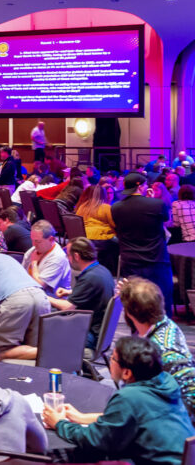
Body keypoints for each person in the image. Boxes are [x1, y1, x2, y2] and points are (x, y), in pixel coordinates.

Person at [43, 336, 194, 464]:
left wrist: (59, 423)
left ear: (127, 372)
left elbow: (93, 441)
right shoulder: (166, 383)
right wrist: (81, 417)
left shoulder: (129, 397)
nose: (110, 361)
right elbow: (136, 417)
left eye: (113, 358)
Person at [119, 277, 195, 421]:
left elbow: (191, 399)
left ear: (129, 313)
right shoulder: (165, 323)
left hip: (171, 425)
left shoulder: (162, 350)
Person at [112, 173, 173, 316]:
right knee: (162, 301)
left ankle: (137, 334)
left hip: (130, 261)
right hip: (157, 260)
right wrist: (150, 199)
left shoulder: (116, 208)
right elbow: (166, 220)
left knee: (135, 302)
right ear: (140, 186)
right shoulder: (157, 204)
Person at [47, 238, 115, 351]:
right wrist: (70, 292)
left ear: (77, 256)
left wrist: (44, 297)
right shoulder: (101, 270)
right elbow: (95, 293)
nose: (68, 259)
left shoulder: (90, 277)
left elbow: (67, 307)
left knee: (42, 327)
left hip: (90, 335)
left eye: (68, 255)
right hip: (99, 330)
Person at [22, 220, 72, 295]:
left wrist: (34, 263)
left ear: (51, 239)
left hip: (52, 300)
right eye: (32, 240)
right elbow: (21, 275)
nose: (34, 244)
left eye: (38, 241)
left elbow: (39, 286)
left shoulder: (58, 257)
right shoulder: (32, 251)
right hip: (31, 295)